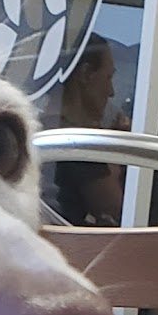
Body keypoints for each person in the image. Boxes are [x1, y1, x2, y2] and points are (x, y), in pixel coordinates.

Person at [51, 34, 130, 226]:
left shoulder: (42, 128)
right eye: (108, 78)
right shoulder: (77, 143)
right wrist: (120, 151)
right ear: (86, 74)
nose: (111, 92)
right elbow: (115, 207)